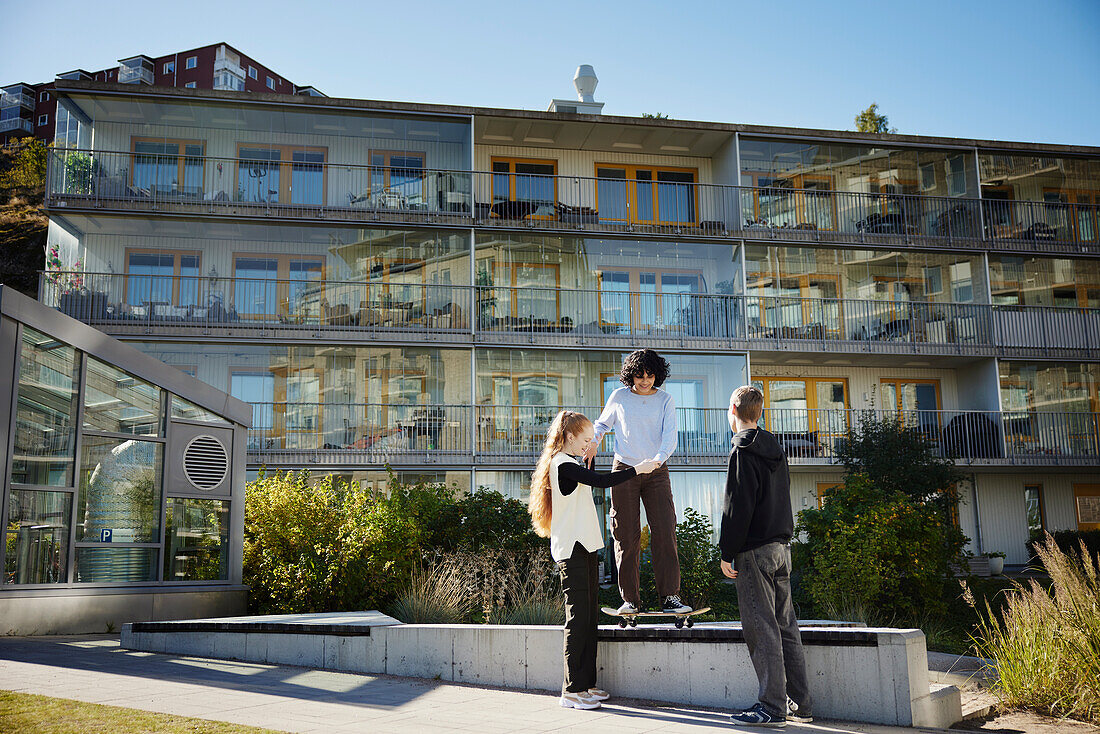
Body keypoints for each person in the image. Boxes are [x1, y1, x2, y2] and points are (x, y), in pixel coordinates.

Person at [529, 409, 657, 711]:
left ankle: (585, 686)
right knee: (577, 620)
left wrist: (592, 451)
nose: (589, 445)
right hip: (570, 550)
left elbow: (589, 473)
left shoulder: (572, 463)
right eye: (585, 440)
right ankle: (571, 690)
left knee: (589, 619)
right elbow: (600, 481)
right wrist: (638, 469)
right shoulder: (561, 464)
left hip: (584, 547)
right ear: (569, 436)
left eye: (591, 440)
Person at [719, 386, 813, 727]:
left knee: (762, 628)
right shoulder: (775, 449)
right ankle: (800, 703)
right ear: (760, 411)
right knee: (786, 626)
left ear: (733, 409)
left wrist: (726, 552)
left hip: (754, 552)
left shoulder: (742, 452)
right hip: (781, 549)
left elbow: (737, 507)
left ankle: (772, 707)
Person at [583, 348, 690, 615]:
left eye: (650, 375)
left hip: (656, 471)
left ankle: (670, 597)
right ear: (631, 375)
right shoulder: (619, 397)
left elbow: (670, 436)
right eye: (640, 376)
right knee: (625, 536)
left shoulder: (665, 400)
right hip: (625, 470)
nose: (645, 381)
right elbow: (602, 424)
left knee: (665, 531)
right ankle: (630, 600)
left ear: (657, 375)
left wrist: (657, 459)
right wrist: (594, 442)